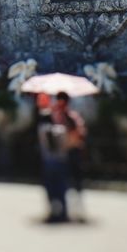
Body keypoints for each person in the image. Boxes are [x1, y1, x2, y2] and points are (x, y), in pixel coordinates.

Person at [50, 91, 88, 221]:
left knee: (76, 182)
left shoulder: (72, 116)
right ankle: (61, 209)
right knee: (61, 182)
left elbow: (81, 133)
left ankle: (77, 209)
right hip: (60, 153)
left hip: (72, 151)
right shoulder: (54, 116)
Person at [37, 102, 71, 223]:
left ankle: (52, 212)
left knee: (50, 189)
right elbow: (66, 146)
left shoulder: (42, 130)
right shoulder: (61, 130)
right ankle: (64, 212)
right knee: (61, 188)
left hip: (48, 163)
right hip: (61, 162)